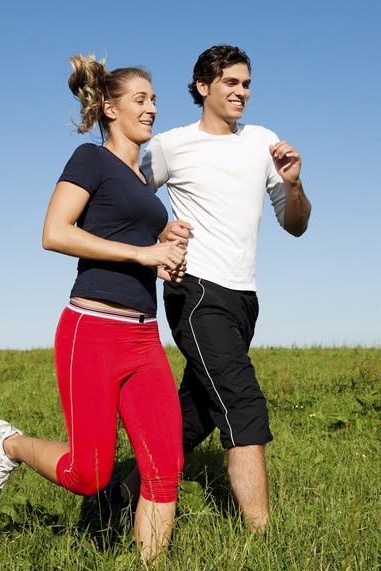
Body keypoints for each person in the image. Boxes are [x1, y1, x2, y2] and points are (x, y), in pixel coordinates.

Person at [0, 53, 190, 562]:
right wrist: (142, 251)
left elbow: (127, 241)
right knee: (90, 475)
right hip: (91, 331)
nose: (153, 108)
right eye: (141, 99)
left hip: (143, 336)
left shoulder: (143, 185)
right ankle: (9, 445)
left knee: (164, 467)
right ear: (110, 109)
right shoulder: (90, 160)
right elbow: (55, 232)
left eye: (155, 99)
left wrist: (163, 255)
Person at [121, 45, 312, 532]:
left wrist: (293, 184)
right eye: (231, 83)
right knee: (241, 400)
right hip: (196, 290)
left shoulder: (263, 142)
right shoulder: (171, 145)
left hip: (243, 295)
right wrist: (156, 242)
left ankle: (119, 490)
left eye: (247, 84)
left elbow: (296, 225)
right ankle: (264, 537)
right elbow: (128, 206)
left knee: (201, 409)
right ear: (203, 87)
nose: (241, 93)